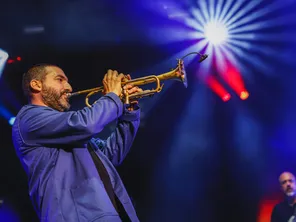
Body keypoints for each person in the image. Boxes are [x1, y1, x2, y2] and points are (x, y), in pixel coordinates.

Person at [11, 64, 142, 222]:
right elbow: (87, 123)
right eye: (60, 80)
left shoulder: (67, 132)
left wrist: (129, 111)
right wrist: (112, 95)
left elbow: (111, 154)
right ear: (36, 84)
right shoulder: (29, 118)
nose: (69, 87)